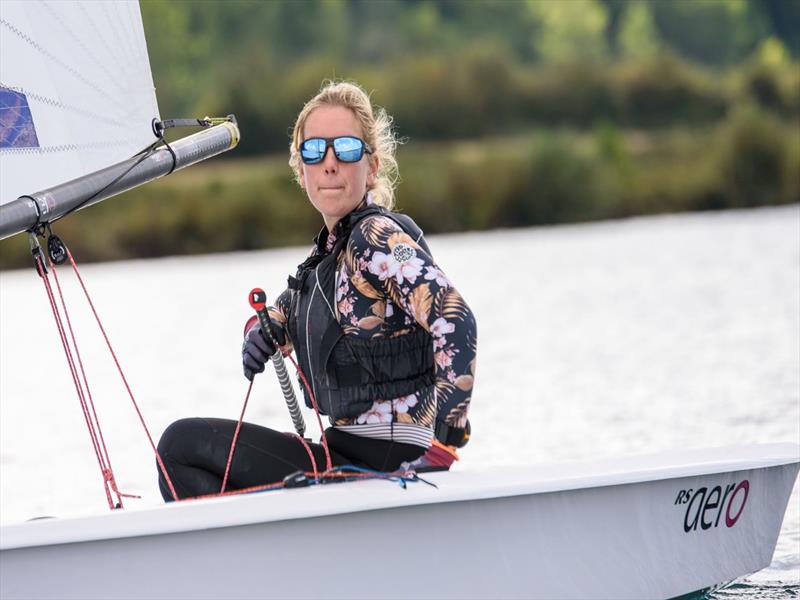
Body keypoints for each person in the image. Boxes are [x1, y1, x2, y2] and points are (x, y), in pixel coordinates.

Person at [157, 81, 477, 501]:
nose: (329, 164)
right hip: (345, 455)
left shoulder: (375, 239)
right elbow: (284, 315)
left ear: (371, 166)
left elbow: (454, 318)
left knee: (179, 447)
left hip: (391, 460)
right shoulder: (329, 254)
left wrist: (444, 443)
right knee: (181, 454)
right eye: (314, 151)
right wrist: (260, 331)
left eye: (345, 149)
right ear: (301, 169)